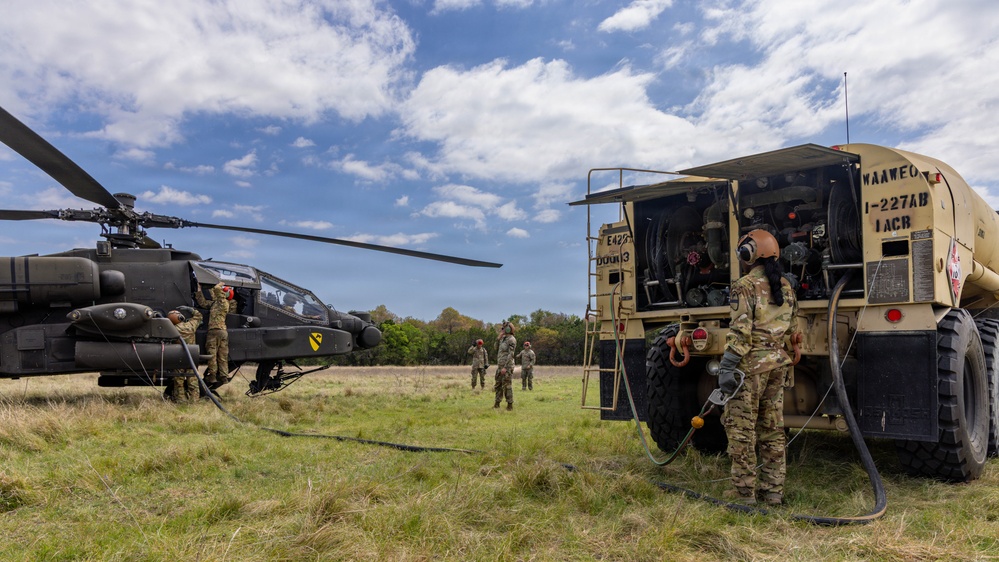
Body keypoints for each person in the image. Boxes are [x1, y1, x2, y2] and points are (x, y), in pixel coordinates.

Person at [715, 229, 799, 506]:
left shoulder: (744, 286)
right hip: (777, 366)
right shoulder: (786, 287)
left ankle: (743, 494)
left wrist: (727, 367)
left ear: (748, 254)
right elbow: (792, 330)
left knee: (741, 431)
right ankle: (773, 491)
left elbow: (741, 332)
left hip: (749, 368)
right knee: (772, 430)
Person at [194, 281, 233, 389]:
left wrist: (220, 283)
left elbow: (216, 289)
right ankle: (223, 376)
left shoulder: (223, 302)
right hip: (222, 332)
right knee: (222, 355)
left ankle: (213, 376)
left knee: (212, 355)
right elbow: (203, 303)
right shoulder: (215, 304)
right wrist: (199, 290)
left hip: (214, 332)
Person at [165, 307, 203, 402]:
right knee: (193, 379)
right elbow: (199, 316)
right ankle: (194, 400)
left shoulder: (172, 330)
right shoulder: (190, 325)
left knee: (179, 380)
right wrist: (191, 310)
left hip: (179, 358)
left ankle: (180, 400)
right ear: (181, 317)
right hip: (192, 356)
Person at [494, 321, 516, 410]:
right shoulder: (502, 339)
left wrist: (505, 368)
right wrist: (498, 338)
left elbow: (511, 355)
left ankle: (509, 405)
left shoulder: (511, 339)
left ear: (508, 329)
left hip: (506, 366)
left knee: (507, 386)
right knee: (498, 385)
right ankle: (497, 404)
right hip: (500, 366)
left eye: (504, 328)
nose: (502, 330)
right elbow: (495, 348)